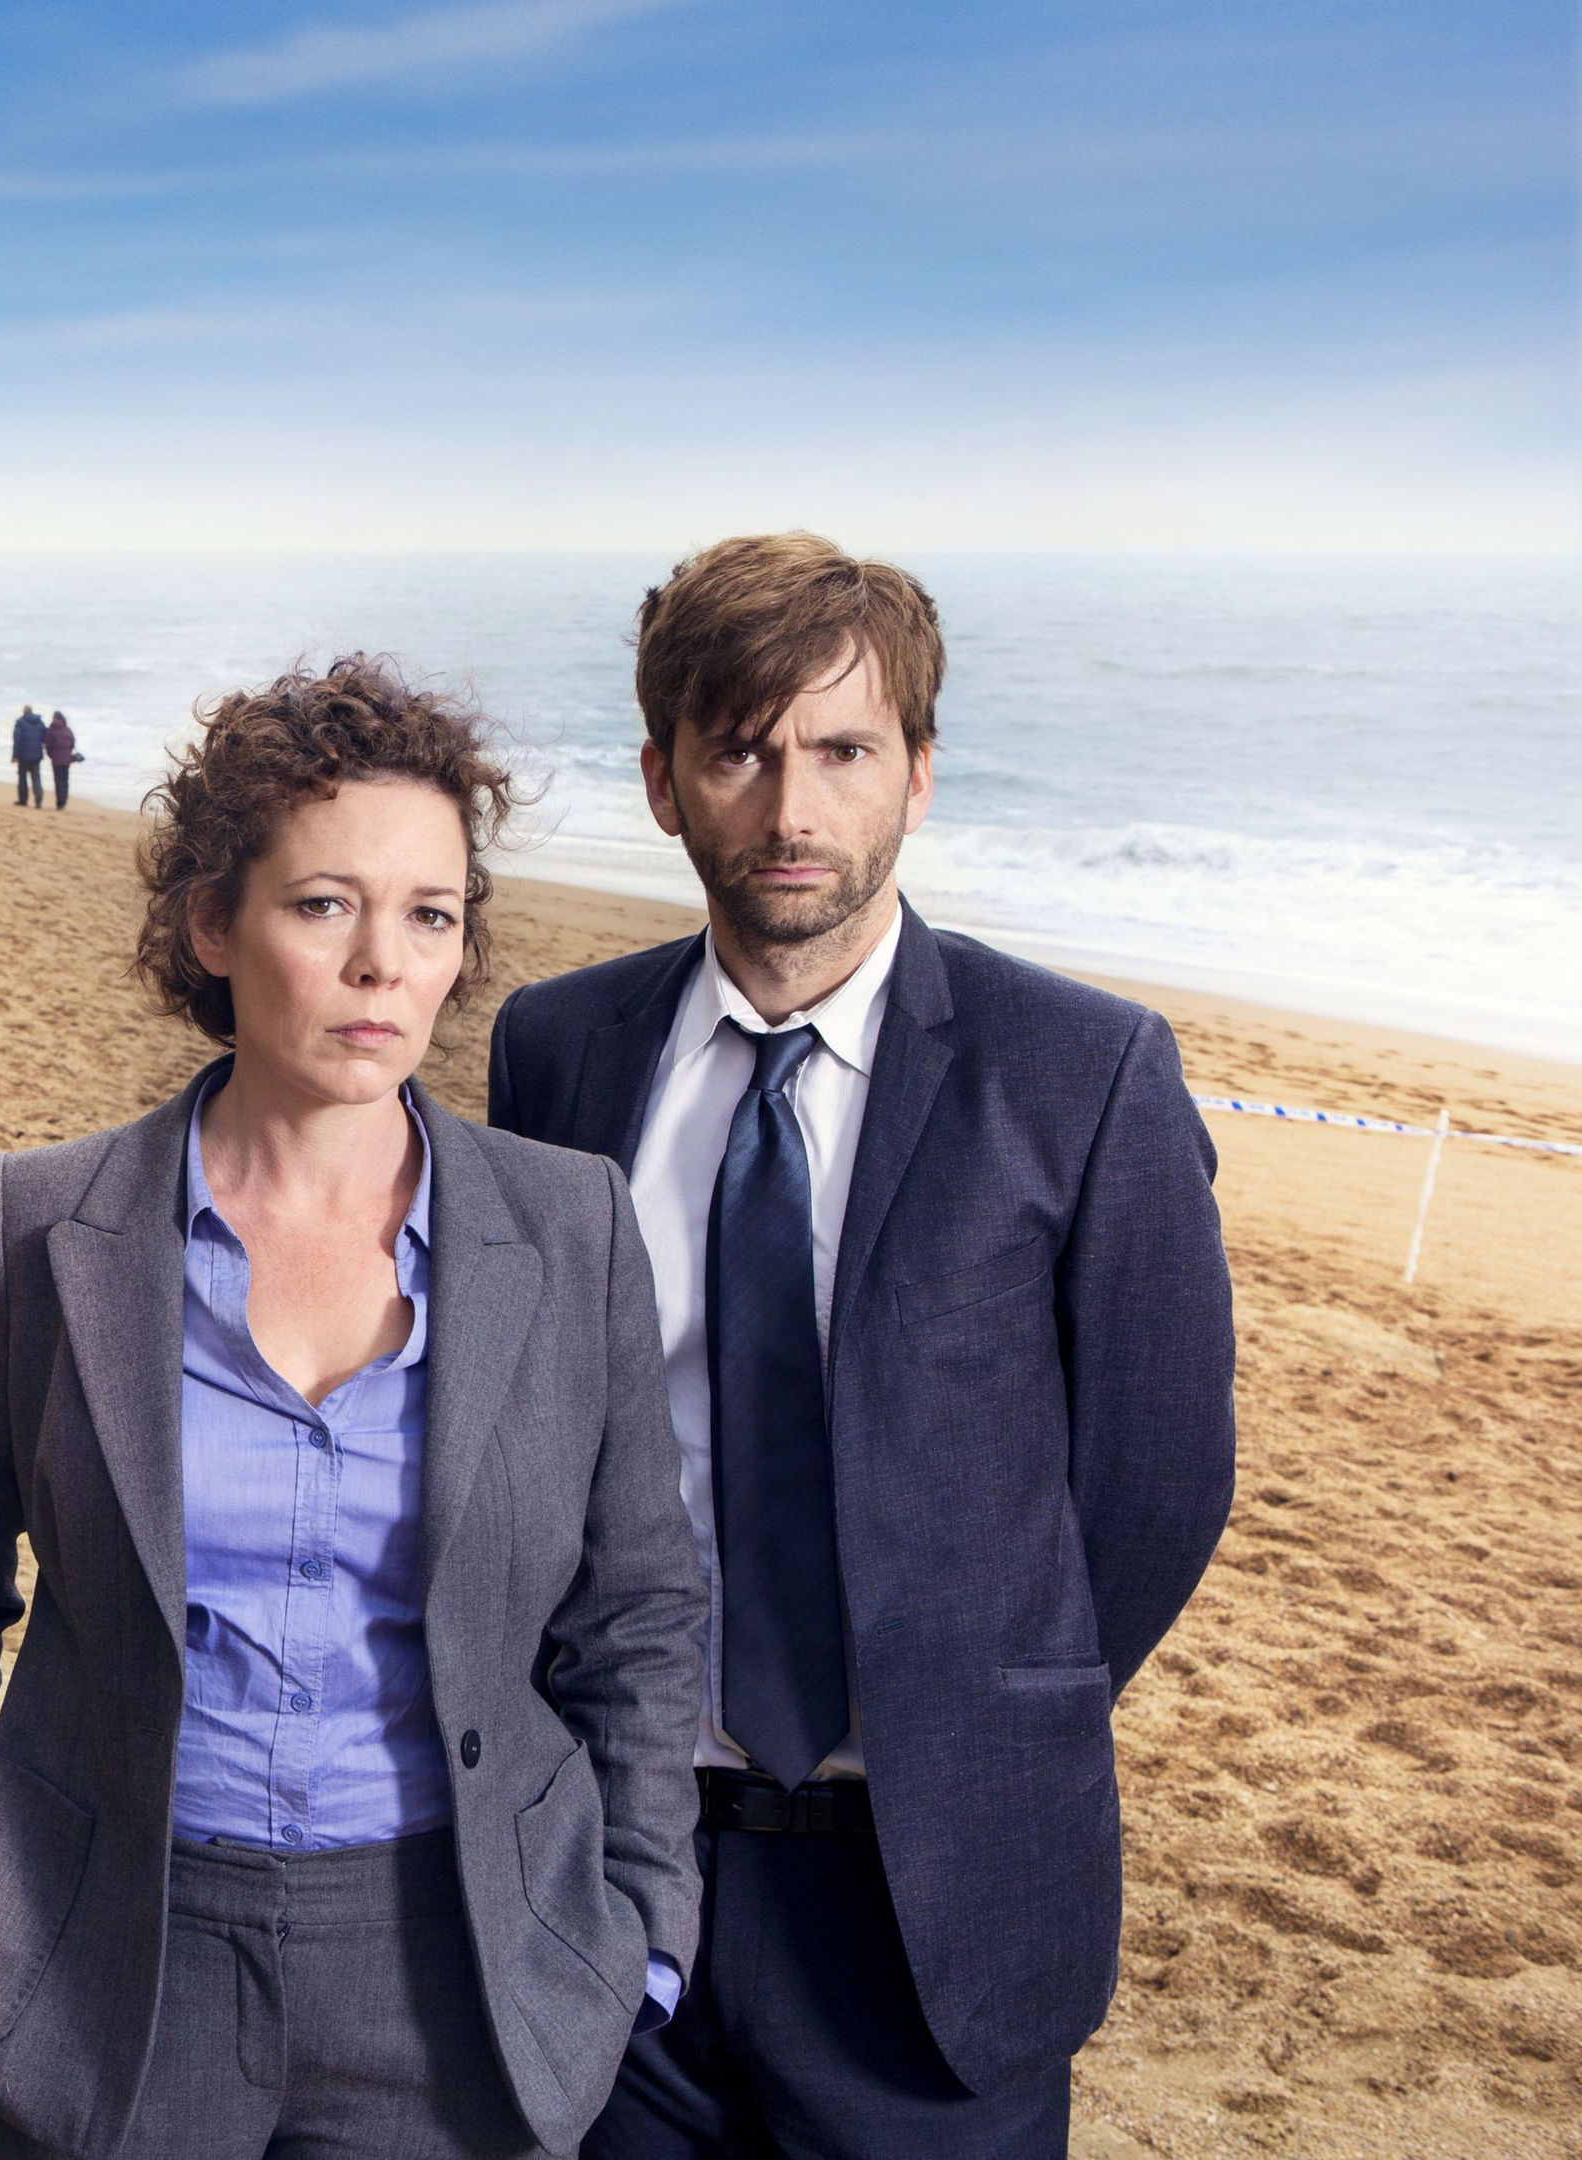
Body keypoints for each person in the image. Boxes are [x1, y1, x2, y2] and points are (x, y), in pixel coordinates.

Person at [0, 656, 708, 2160]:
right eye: (325, 905)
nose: (383, 963)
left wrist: (639, 1922)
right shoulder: (43, 1226)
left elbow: (641, 1609)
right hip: (119, 1952)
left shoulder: (568, 1229)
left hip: (457, 1971)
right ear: (212, 924)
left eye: (429, 915)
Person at [484, 533, 1236, 2157]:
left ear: (921, 776)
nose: (792, 807)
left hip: (932, 1907)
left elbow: (1158, 1485)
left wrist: (985, 1712)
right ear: (665, 779)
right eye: (740, 751)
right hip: (617, 1876)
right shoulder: (561, 1053)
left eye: (842, 750)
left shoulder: (1083, 1075)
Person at [13, 704, 49, 806]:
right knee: (36, 777)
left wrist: (15, 756)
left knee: (22, 777)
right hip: (36, 755)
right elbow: (44, 737)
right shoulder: (39, 722)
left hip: (23, 755)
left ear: (24, 711)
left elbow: (17, 740)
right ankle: (38, 798)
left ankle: (23, 800)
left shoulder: (20, 722)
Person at [44, 710, 81, 808]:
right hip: (67, 759)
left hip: (56, 759)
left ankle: (59, 802)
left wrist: (51, 755)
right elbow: (72, 742)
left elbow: (48, 745)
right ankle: (63, 801)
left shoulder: (51, 730)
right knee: (65, 780)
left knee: (58, 781)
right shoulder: (67, 729)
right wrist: (68, 752)